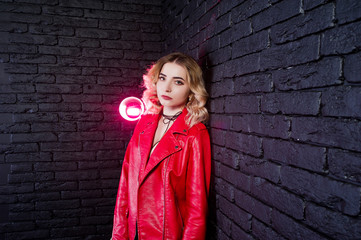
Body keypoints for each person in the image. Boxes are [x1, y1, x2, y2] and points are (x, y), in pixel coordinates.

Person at [111, 52, 211, 240]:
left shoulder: (195, 134)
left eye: (178, 82)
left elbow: (197, 207)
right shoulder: (144, 123)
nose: (167, 87)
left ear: (191, 90)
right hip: (133, 232)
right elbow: (125, 182)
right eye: (163, 78)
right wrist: (118, 234)